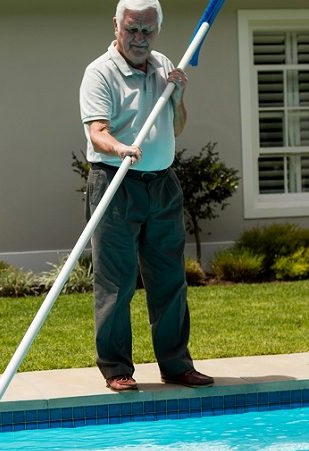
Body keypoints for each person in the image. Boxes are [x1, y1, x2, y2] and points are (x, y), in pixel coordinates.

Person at [79, 0, 214, 391]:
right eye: (132, 29)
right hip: (115, 182)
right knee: (116, 282)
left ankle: (176, 364)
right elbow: (97, 133)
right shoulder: (99, 73)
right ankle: (117, 368)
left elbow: (179, 126)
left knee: (170, 278)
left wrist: (177, 98)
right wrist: (119, 148)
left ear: (157, 30)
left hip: (163, 184)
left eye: (147, 31)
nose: (139, 38)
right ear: (117, 26)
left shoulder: (164, 65)